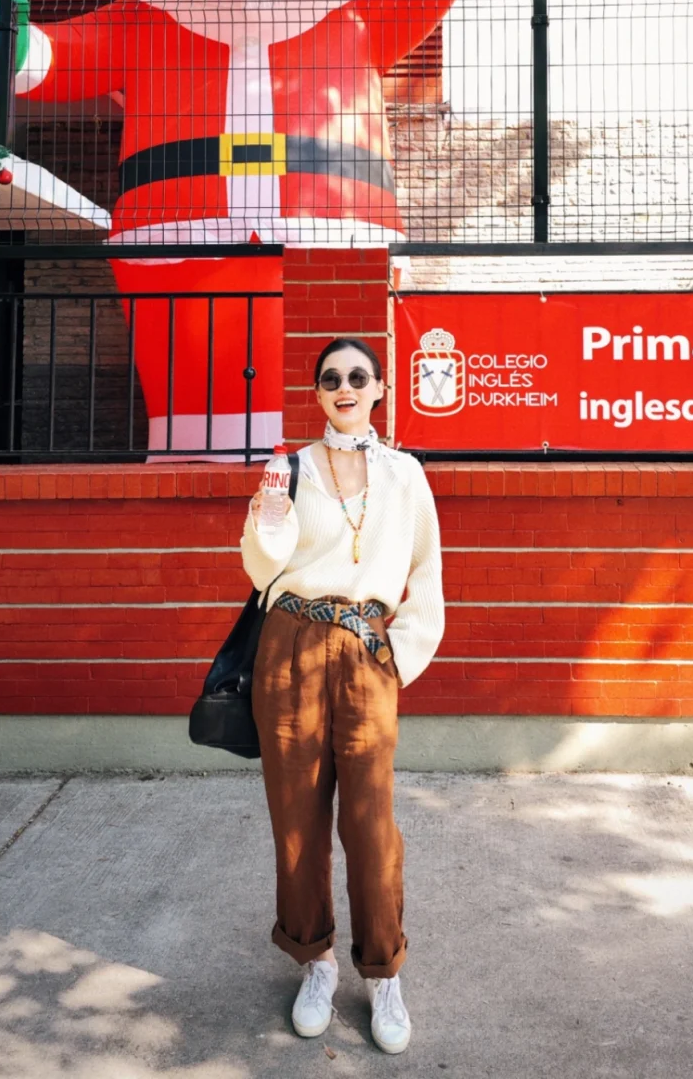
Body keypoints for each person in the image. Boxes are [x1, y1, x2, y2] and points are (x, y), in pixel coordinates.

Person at [240, 336, 445, 1055]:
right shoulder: (292, 467)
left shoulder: (404, 474)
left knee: (371, 822)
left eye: (359, 376)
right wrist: (267, 518)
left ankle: (383, 972)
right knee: (295, 818)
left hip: (365, 651)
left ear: (379, 388)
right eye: (331, 379)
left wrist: (399, 658)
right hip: (291, 646)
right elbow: (261, 567)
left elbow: (427, 570)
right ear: (319, 394)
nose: (345, 387)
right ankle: (317, 961)